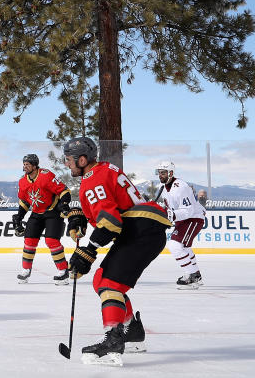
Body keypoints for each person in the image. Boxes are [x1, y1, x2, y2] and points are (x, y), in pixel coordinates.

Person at [63, 137, 171, 366]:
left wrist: (89, 251)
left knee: (109, 284)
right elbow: (111, 208)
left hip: (140, 231)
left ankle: (113, 337)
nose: (67, 164)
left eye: (69, 160)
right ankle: (131, 330)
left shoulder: (92, 179)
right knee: (102, 280)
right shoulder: (103, 170)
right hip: (143, 229)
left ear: (82, 160)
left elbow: (111, 222)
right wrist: (82, 216)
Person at [11, 153, 72, 285]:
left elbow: (64, 191)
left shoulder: (46, 175)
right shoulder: (23, 181)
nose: (25, 166)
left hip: (53, 212)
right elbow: (25, 202)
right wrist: (19, 217)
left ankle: (63, 272)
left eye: (28, 164)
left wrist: (64, 204)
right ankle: (26, 270)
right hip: (37, 213)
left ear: (34, 165)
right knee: (29, 241)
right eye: (24, 164)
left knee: (51, 241)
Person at [155, 162, 206, 289]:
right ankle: (196, 276)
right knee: (185, 247)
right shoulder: (164, 187)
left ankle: (192, 276)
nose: (160, 175)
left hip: (193, 218)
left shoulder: (180, 187)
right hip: (184, 219)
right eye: (159, 172)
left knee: (174, 245)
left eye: (163, 172)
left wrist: (170, 215)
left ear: (171, 173)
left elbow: (188, 210)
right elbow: (171, 209)